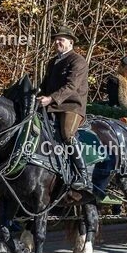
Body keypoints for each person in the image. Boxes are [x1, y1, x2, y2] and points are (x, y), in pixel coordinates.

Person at [37, 26, 90, 191]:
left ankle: (83, 175)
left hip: (72, 106)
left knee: (67, 134)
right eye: (56, 39)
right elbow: (45, 85)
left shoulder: (78, 61)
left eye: (61, 39)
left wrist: (51, 98)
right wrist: (36, 95)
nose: (57, 42)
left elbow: (71, 86)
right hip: (51, 105)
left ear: (71, 42)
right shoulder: (53, 61)